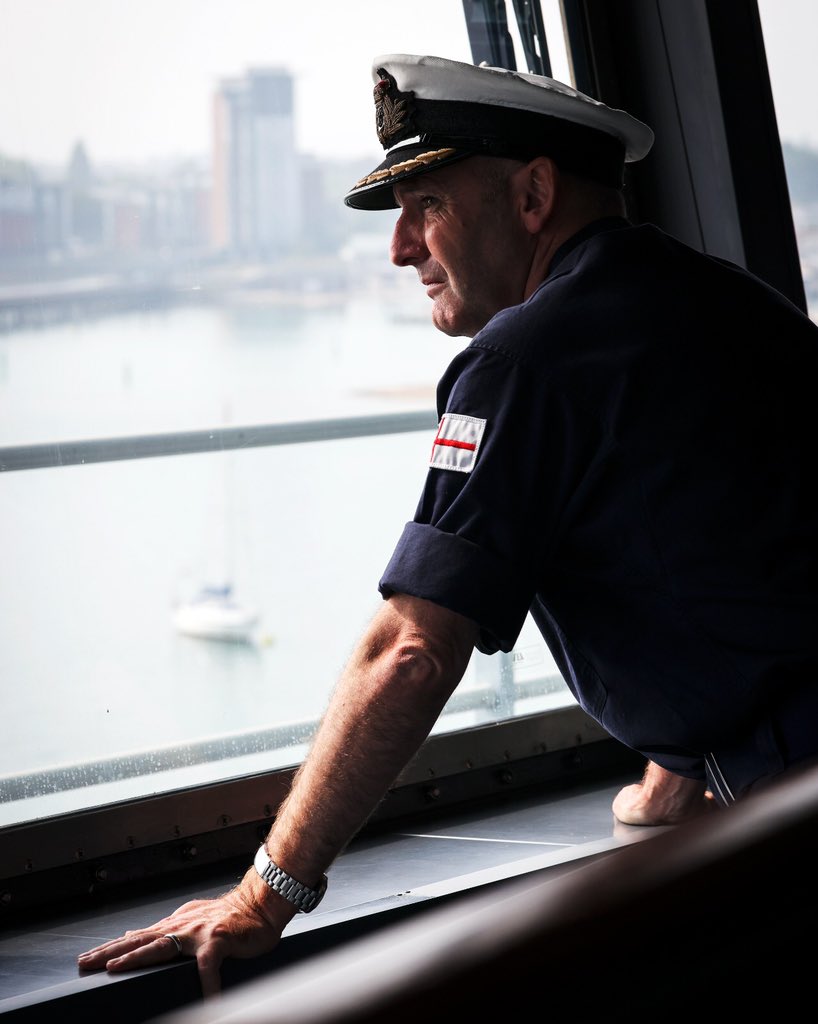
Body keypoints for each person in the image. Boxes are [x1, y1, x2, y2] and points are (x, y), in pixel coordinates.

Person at [77, 53, 818, 996]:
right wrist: (678, 768)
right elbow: (728, 543)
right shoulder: (727, 299)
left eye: (425, 204)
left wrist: (263, 896)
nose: (399, 248)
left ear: (534, 195)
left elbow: (414, 651)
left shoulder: (525, 357)